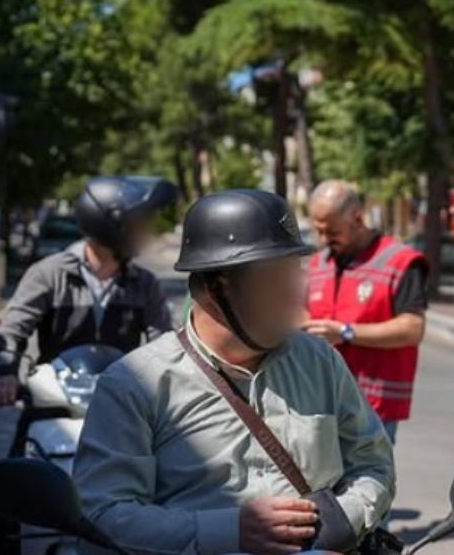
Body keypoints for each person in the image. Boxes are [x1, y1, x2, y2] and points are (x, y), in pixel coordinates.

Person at [74, 189, 394, 555]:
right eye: (276, 279)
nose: (297, 297)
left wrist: (337, 525)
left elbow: (372, 464)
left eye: (296, 274)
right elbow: (103, 514)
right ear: (215, 290)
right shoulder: (135, 385)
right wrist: (229, 531)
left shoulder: (320, 361)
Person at [0, 176, 176, 407]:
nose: (144, 231)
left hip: (119, 405)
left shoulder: (144, 283)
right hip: (54, 401)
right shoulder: (50, 273)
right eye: (137, 224)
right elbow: (12, 330)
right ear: (110, 224)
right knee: (25, 441)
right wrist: (6, 374)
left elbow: (164, 343)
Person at [304, 180, 429, 444]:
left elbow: (412, 329)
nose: (324, 240)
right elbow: (301, 310)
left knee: (367, 482)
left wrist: (345, 332)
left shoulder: (401, 261)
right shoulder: (320, 262)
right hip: (320, 401)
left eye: (332, 231)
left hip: (372, 408)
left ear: (357, 219)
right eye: (319, 231)